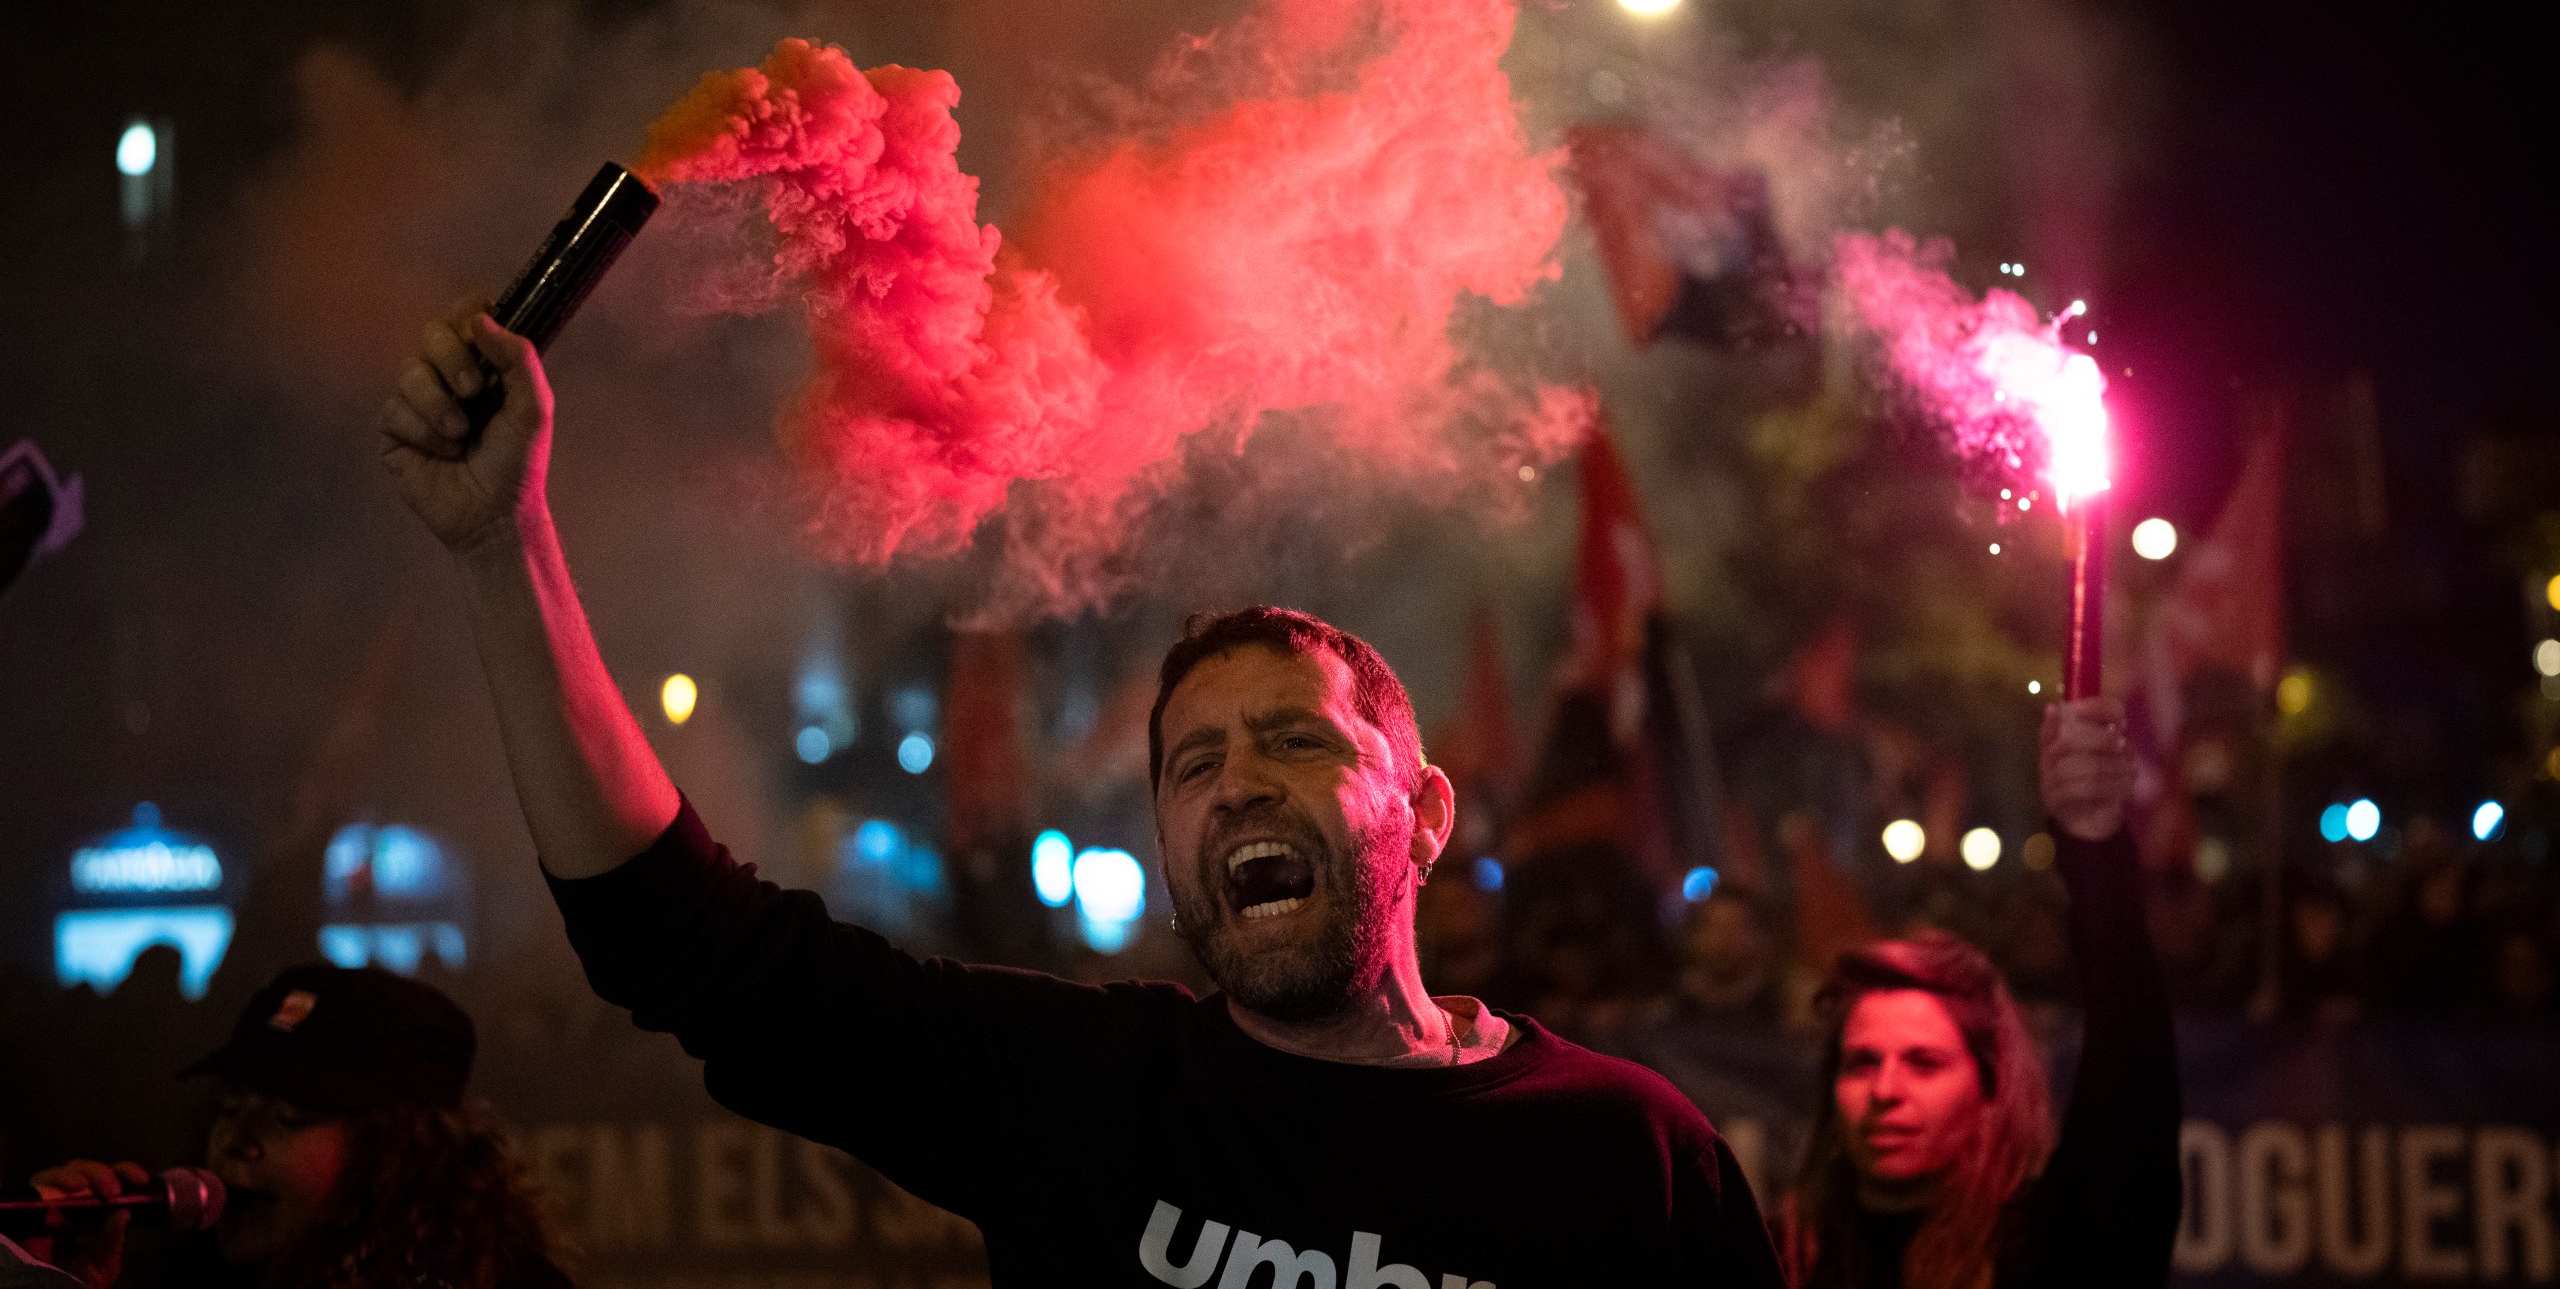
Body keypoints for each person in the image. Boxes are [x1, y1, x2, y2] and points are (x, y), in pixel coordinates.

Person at [378, 306, 1788, 1284]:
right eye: (1193, 764)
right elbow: (681, 944)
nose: (1236, 786)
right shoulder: (1085, 1094)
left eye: (1293, 743)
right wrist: (505, 549)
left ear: (1422, 813)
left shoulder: (1627, 1154)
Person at [1772, 702, 2181, 1289]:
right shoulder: (1773, 1259)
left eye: (1924, 1062)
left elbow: (2133, 1071)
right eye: (1861, 1063)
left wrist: (2094, 851)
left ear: (1990, 1086)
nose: (1885, 1092)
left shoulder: (2062, 1248)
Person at [24, 964, 569, 1289]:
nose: (238, 1141)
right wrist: (51, 1278)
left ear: (401, 1156)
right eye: (232, 1106)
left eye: (291, 1116)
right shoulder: (186, 1276)